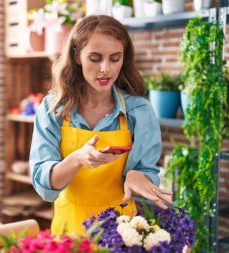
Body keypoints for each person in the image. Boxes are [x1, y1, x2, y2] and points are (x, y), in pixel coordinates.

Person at [29, 15, 173, 235]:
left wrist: (138, 176)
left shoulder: (139, 111)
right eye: (95, 58)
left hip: (122, 231)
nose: (106, 69)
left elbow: (147, 171)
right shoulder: (53, 108)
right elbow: (44, 189)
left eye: (115, 59)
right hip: (70, 231)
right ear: (77, 56)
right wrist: (77, 159)